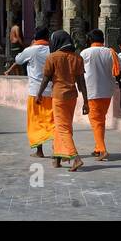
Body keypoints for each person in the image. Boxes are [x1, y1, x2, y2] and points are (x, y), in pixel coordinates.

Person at [37, 30, 89, 171]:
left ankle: (75, 157)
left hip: (59, 96)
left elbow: (46, 78)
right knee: (65, 127)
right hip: (72, 96)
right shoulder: (77, 58)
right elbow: (81, 82)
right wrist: (86, 101)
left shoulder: (52, 57)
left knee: (62, 128)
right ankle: (57, 157)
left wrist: (39, 94)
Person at [7, 26, 53, 156]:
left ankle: (39, 150)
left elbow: (18, 60)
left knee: (35, 122)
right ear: (47, 37)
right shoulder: (52, 50)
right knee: (51, 120)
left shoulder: (31, 50)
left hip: (35, 92)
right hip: (51, 91)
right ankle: (59, 149)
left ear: (35, 37)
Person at [80, 29, 120, 160]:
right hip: (107, 92)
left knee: (96, 121)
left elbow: (79, 72)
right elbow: (120, 71)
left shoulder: (85, 53)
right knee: (100, 121)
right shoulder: (110, 52)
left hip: (92, 91)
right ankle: (98, 148)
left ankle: (102, 150)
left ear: (90, 40)